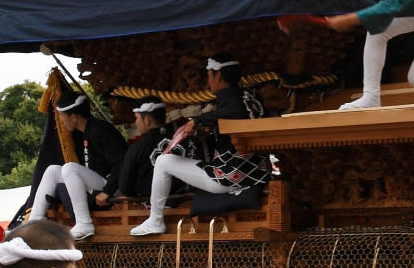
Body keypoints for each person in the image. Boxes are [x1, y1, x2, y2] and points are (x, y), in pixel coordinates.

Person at [131, 54, 271, 236]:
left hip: (230, 178)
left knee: (163, 162)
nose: (209, 81)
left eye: (209, 76)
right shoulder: (251, 98)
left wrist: (197, 121)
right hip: (257, 173)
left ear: (218, 76)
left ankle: (155, 220)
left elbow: (235, 111)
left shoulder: (231, 100)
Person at [26, 93, 127, 241]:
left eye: (62, 116)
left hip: (112, 188)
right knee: (53, 170)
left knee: (69, 168)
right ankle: (35, 223)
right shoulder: (82, 133)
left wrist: (107, 192)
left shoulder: (101, 130)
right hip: (97, 185)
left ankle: (84, 223)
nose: (61, 120)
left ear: (74, 117)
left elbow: (121, 163)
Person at [97, 97, 169, 205]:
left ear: (147, 120)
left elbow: (125, 186)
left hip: (148, 205)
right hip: (184, 200)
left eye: (137, 118)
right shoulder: (184, 140)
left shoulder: (138, 147)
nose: (136, 122)